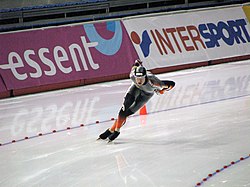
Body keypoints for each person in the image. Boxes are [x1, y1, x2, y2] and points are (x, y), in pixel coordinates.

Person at [98, 59, 175, 142]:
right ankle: (116, 131)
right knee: (124, 108)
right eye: (137, 78)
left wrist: (162, 90)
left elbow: (172, 84)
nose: (139, 81)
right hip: (135, 88)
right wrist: (137, 63)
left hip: (146, 94)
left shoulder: (154, 82)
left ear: (145, 77)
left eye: (141, 79)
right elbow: (135, 66)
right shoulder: (132, 75)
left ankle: (111, 130)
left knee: (127, 113)